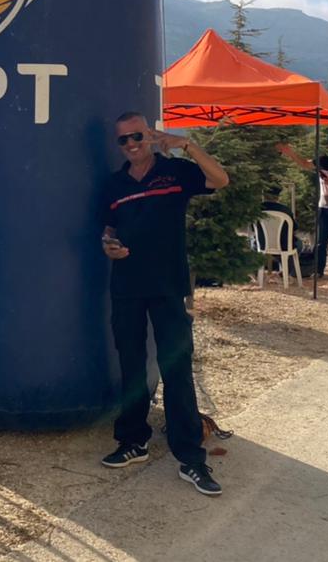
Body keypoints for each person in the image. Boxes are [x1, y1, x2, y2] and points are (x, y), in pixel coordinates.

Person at [98, 112, 229, 496]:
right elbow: (108, 229)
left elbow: (220, 180)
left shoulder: (175, 172)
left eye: (137, 136)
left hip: (169, 286)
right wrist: (108, 246)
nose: (131, 144)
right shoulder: (114, 184)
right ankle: (132, 441)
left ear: (150, 135)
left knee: (176, 368)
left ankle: (190, 457)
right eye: (123, 139)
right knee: (132, 365)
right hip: (126, 286)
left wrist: (187, 145)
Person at [278, 135, 328, 279]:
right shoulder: (322, 161)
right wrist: (290, 153)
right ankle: (319, 270)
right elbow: (305, 164)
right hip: (324, 206)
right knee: (320, 241)